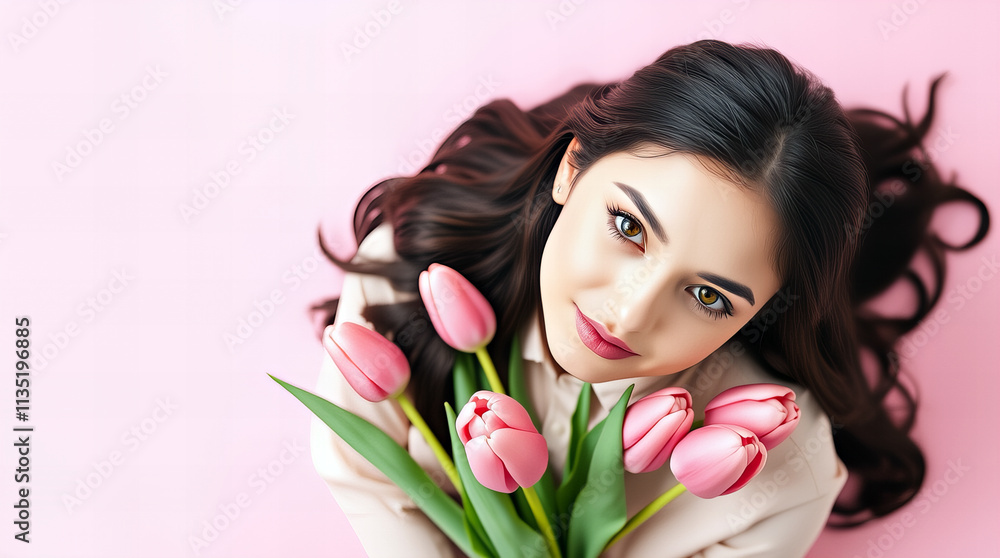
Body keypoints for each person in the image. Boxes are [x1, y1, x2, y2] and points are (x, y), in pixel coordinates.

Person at [308, 40, 990, 557]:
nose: (629, 314)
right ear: (571, 168)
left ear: (765, 309)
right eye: (628, 227)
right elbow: (364, 474)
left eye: (707, 295)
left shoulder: (778, 478)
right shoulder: (413, 269)